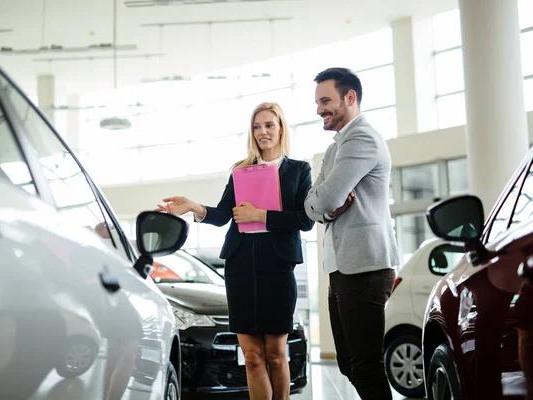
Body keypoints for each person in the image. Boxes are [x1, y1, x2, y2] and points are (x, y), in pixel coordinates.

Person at [156, 102, 314, 400]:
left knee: (276, 354)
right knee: (252, 356)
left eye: (269, 125)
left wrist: (260, 215)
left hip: (277, 268)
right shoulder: (241, 171)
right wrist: (192, 206)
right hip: (241, 267)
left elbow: (304, 220)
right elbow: (223, 214)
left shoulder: (299, 170)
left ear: (281, 128)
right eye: (257, 127)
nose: (262, 132)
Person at [304, 67, 399, 400]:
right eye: (317, 102)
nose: (319, 110)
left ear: (350, 97)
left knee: (365, 364)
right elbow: (313, 204)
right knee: (348, 363)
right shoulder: (334, 147)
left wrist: (323, 205)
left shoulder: (362, 137)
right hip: (344, 267)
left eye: (326, 100)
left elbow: (325, 198)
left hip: (365, 266)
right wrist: (324, 207)